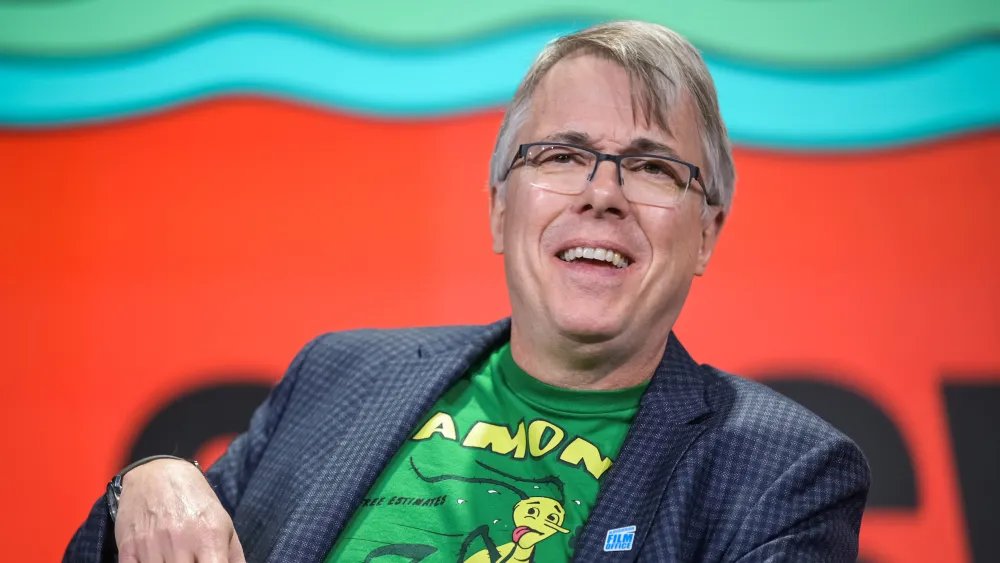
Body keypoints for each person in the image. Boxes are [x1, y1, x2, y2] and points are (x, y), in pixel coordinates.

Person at [65, 20, 869, 562]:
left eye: (653, 166)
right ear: (499, 209)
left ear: (707, 232)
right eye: (562, 156)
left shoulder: (784, 470)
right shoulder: (338, 375)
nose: (603, 193)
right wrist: (146, 482)